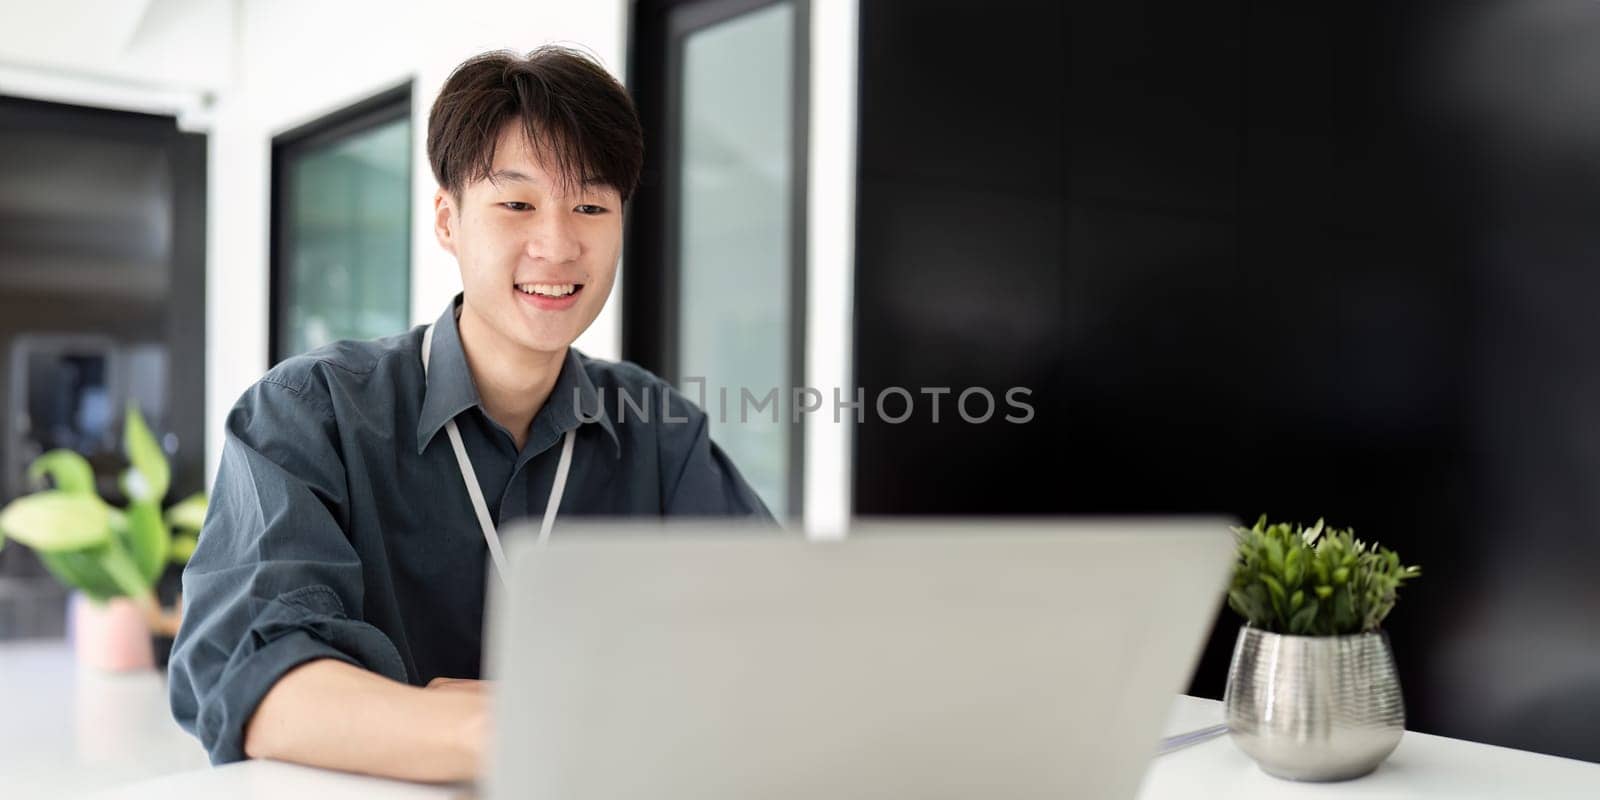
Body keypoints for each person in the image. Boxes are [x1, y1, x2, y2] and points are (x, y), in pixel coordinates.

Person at [168, 46, 773, 783]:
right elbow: (261, 686)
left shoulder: (659, 429)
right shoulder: (310, 411)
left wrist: (427, 711)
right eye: (516, 204)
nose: (557, 244)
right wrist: (511, 723)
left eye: (590, 205)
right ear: (448, 220)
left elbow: (771, 646)